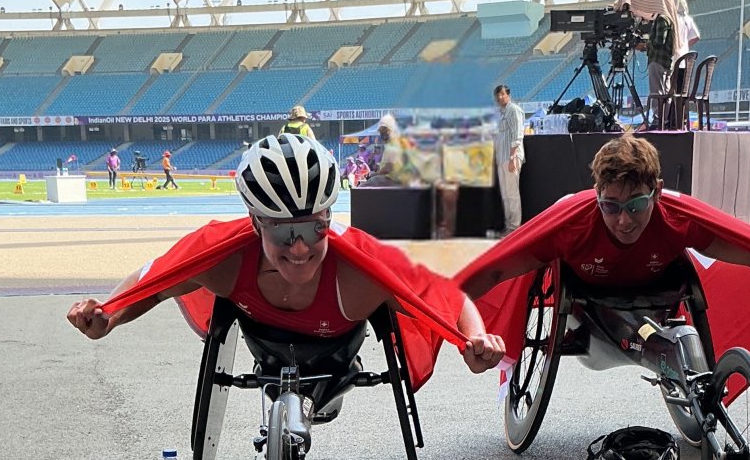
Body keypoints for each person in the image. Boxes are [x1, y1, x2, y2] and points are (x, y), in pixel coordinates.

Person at [66, 134, 504, 417]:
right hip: (265, 339)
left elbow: (445, 295)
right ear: (256, 224)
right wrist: (108, 315)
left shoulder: (362, 267)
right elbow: (155, 278)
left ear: (329, 217)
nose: (299, 248)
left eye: (315, 229)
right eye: (283, 232)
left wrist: (474, 340)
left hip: (337, 346)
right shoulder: (221, 254)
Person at [457, 135, 750, 381]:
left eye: (636, 206)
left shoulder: (679, 215)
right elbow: (487, 271)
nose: (623, 221)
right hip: (588, 300)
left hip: (656, 293)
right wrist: (467, 336)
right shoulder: (571, 222)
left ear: (656, 190)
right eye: (611, 206)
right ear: (596, 194)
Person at [493, 85, 525, 235]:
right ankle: (508, 226)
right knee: (505, 194)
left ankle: (515, 227)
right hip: (501, 157)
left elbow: (517, 135)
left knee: (512, 193)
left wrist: (513, 157)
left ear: (508, 95)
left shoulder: (514, 110)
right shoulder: (500, 113)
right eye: (498, 95)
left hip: (511, 156)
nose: (500, 98)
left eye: (502, 94)